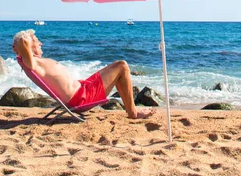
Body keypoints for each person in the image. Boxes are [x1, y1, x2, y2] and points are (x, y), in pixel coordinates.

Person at [12, 29, 154, 119]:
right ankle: (133, 112)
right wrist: (26, 38)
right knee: (122, 65)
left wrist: (28, 42)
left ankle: (131, 108)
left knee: (116, 68)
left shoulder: (33, 62)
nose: (41, 43)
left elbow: (24, 46)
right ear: (28, 46)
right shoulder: (33, 64)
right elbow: (23, 42)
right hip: (81, 98)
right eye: (36, 41)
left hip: (83, 88)